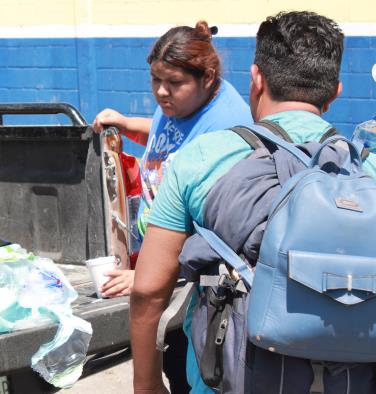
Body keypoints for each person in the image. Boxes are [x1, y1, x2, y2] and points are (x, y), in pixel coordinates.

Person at [130, 11, 376, 393]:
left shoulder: (203, 158)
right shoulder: (367, 169)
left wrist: (146, 384)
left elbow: (148, 290)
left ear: (256, 80)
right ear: (335, 93)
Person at [92, 21, 252, 299]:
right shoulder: (180, 104)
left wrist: (149, 275)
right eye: (156, 80)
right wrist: (128, 124)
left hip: (188, 276)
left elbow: (214, 231)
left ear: (208, 77)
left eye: (174, 82)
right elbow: (171, 143)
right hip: (156, 257)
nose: (162, 91)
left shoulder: (227, 128)